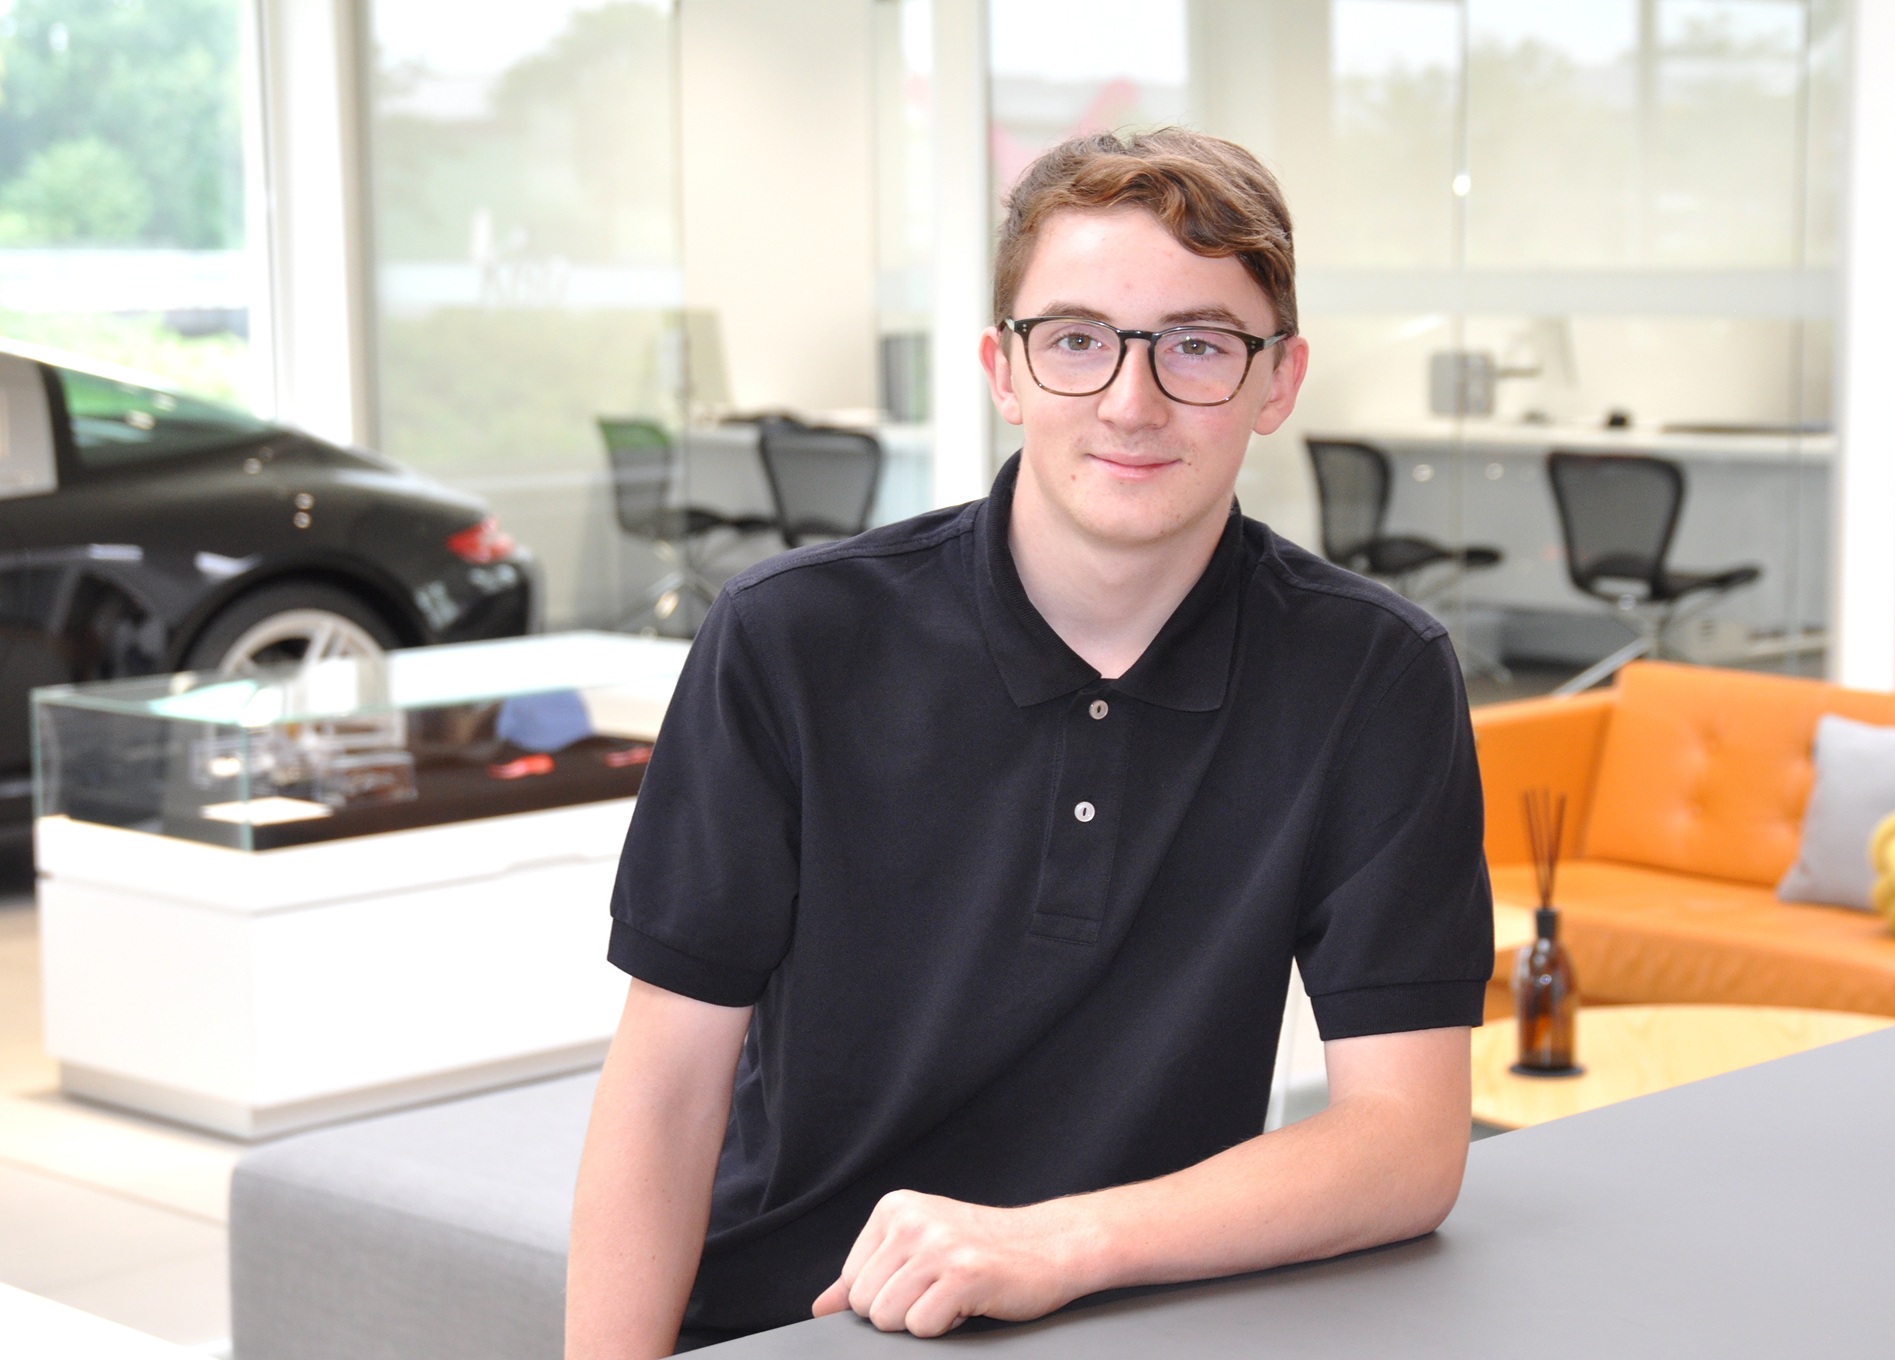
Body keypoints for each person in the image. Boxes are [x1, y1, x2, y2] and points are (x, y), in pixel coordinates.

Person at [566, 127, 1493, 1358]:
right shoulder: (789, 638)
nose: (1130, 402)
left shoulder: (1373, 673)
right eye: (1075, 340)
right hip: (793, 1323)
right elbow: (665, 1095)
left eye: (1197, 345)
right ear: (1002, 369)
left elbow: (1406, 1140)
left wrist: (1053, 1244)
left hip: (1152, 1316)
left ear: (1276, 382)